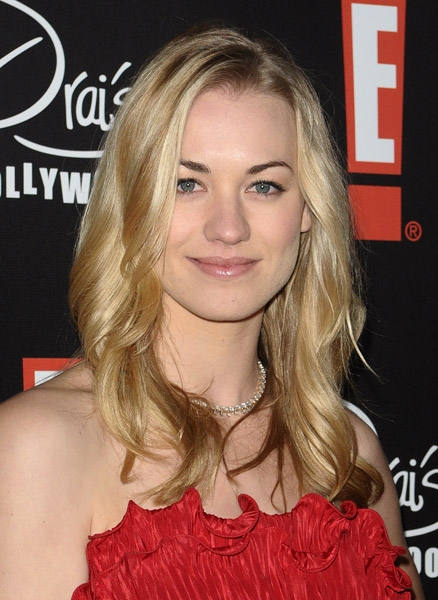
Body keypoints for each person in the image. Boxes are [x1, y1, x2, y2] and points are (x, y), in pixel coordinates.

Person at [0, 24, 424, 600]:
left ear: (307, 209)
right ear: (134, 201)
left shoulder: (346, 453)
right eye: (187, 183)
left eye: (264, 186)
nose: (228, 228)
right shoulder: (37, 448)